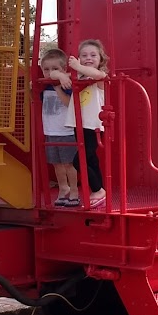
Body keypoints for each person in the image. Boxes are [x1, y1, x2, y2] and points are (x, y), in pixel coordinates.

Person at [65, 39, 108, 208]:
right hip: (79, 124)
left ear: (100, 59)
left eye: (93, 55)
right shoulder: (79, 75)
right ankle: (100, 190)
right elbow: (53, 75)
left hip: (94, 125)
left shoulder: (99, 76)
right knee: (91, 160)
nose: (88, 58)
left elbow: (99, 75)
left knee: (79, 160)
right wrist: (61, 76)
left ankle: (97, 189)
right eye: (83, 55)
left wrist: (76, 65)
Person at [39, 49, 79, 207]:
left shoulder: (66, 85)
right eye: (46, 69)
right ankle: (64, 188)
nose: (50, 73)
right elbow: (38, 103)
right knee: (56, 163)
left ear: (64, 70)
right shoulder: (44, 87)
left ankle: (74, 190)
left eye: (55, 69)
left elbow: (70, 104)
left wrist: (57, 87)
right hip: (50, 131)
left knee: (69, 163)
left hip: (66, 130)